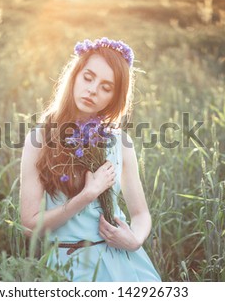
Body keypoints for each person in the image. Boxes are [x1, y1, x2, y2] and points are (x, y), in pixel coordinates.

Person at [20, 38, 161, 282]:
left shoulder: (120, 142)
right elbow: (30, 226)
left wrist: (135, 240)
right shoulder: (39, 140)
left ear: (114, 98)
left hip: (123, 262)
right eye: (88, 77)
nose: (93, 89)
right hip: (69, 265)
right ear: (74, 76)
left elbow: (141, 214)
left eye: (106, 87)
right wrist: (87, 195)